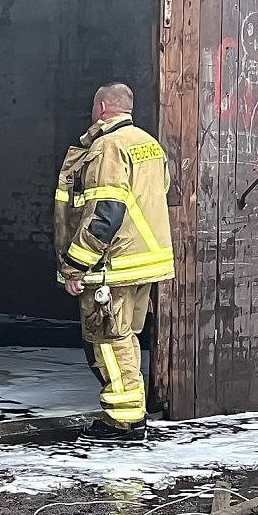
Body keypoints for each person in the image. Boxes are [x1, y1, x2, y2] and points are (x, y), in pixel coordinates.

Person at [54, 83, 174, 441]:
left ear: (103, 107)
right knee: (127, 336)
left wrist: (76, 265)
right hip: (144, 262)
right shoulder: (149, 143)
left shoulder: (107, 147)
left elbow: (105, 212)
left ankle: (124, 420)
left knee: (108, 338)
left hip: (113, 265)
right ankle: (130, 411)